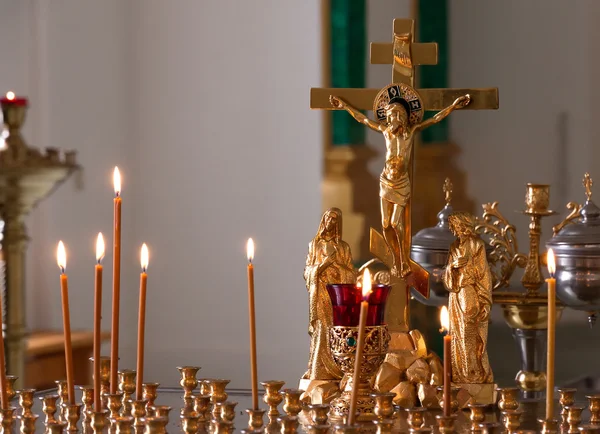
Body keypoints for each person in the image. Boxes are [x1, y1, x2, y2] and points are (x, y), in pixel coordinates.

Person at [330, 89, 470, 278]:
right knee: (386, 224)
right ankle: (395, 260)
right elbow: (363, 120)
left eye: (395, 115)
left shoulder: (409, 134)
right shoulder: (386, 132)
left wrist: (453, 106)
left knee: (396, 223)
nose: (391, 119)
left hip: (402, 183)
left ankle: (403, 260)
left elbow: (435, 119)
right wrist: (344, 106)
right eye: (388, 115)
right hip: (386, 181)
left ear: (402, 116)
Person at [303, 208, 357, 380]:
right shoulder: (315, 245)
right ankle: (317, 370)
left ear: (338, 223)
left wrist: (337, 269)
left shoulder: (343, 247)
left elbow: (351, 274)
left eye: (334, 219)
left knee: (337, 329)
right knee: (321, 329)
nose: (330, 222)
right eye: (327, 218)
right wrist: (323, 265)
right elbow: (307, 271)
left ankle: (338, 369)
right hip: (320, 294)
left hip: (337, 296)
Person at [442, 212, 493, 384]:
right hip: (456, 293)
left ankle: (473, 372)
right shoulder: (453, 246)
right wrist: (452, 267)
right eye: (454, 227)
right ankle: (459, 372)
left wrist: (485, 301)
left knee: (469, 330)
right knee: (456, 332)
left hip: (470, 291)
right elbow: (447, 272)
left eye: (458, 226)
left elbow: (484, 273)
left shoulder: (476, 245)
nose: (456, 230)